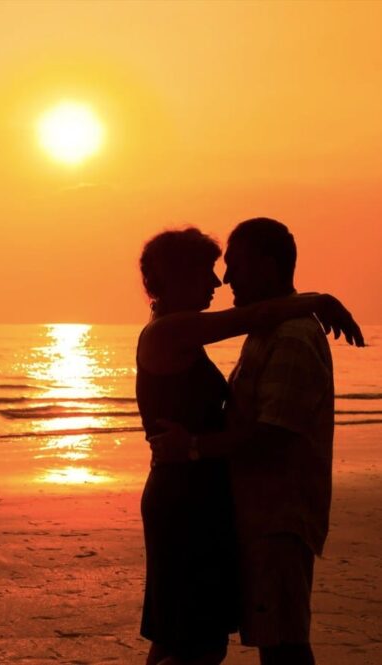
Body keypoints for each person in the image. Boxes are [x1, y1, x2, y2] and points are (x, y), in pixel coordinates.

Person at [137, 226, 363, 665]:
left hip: (204, 498)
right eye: (209, 270)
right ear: (178, 276)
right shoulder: (170, 332)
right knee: (196, 642)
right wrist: (316, 300)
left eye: (229, 266)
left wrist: (198, 447)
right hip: (185, 500)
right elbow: (249, 317)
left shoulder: (203, 331)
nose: (220, 281)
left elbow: (275, 428)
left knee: (180, 636)